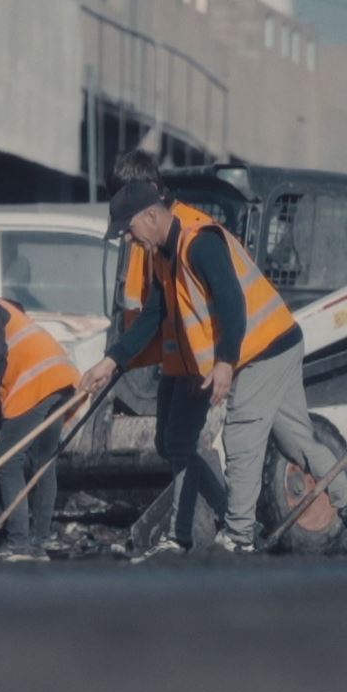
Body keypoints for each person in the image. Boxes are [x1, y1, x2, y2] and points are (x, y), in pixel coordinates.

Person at [79, 181, 347, 555]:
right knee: (296, 443)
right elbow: (155, 315)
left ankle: (238, 536)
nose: (128, 239)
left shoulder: (199, 241)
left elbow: (231, 301)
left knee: (241, 434)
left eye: (128, 229)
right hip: (267, 344)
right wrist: (111, 362)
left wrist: (224, 362)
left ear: (151, 216)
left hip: (266, 347)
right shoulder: (164, 254)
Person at [108, 150, 229, 558]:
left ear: (147, 192)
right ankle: (228, 512)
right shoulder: (151, 239)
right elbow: (155, 307)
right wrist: (117, 357)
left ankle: (183, 534)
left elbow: (213, 304)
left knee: (178, 442)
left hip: (198, 358)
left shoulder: (188, 232)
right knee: (168, 442)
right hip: (174, 356)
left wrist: (216, 361)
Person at [0, 273, 80, 562]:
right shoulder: (3, 308)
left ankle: (18, 543)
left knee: (8, 464)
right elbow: (12, 383)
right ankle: (38, 543)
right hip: (60, 380)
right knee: (44, 464)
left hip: (35, 387)